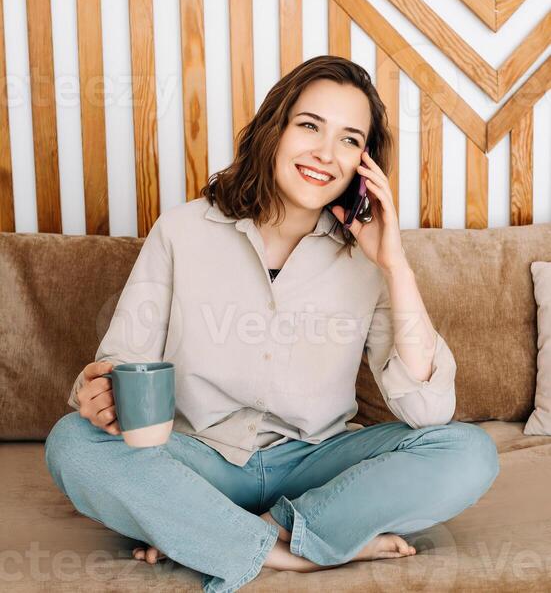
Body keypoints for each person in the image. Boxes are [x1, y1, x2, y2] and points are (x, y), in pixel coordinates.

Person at [44, 55, 500, 593]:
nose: (326, 154)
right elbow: (120, 364)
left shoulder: (370, 262)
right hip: (198, 459)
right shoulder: (182, 230)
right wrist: (93, 391)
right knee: (73, 442)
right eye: (310, 126)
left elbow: (429, 411)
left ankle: (223, 533)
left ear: (365, 163)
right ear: (274, 129)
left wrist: (395, 266)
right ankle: (299, 553)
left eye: (350, 140)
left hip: (316, 463)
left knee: (468, 452)